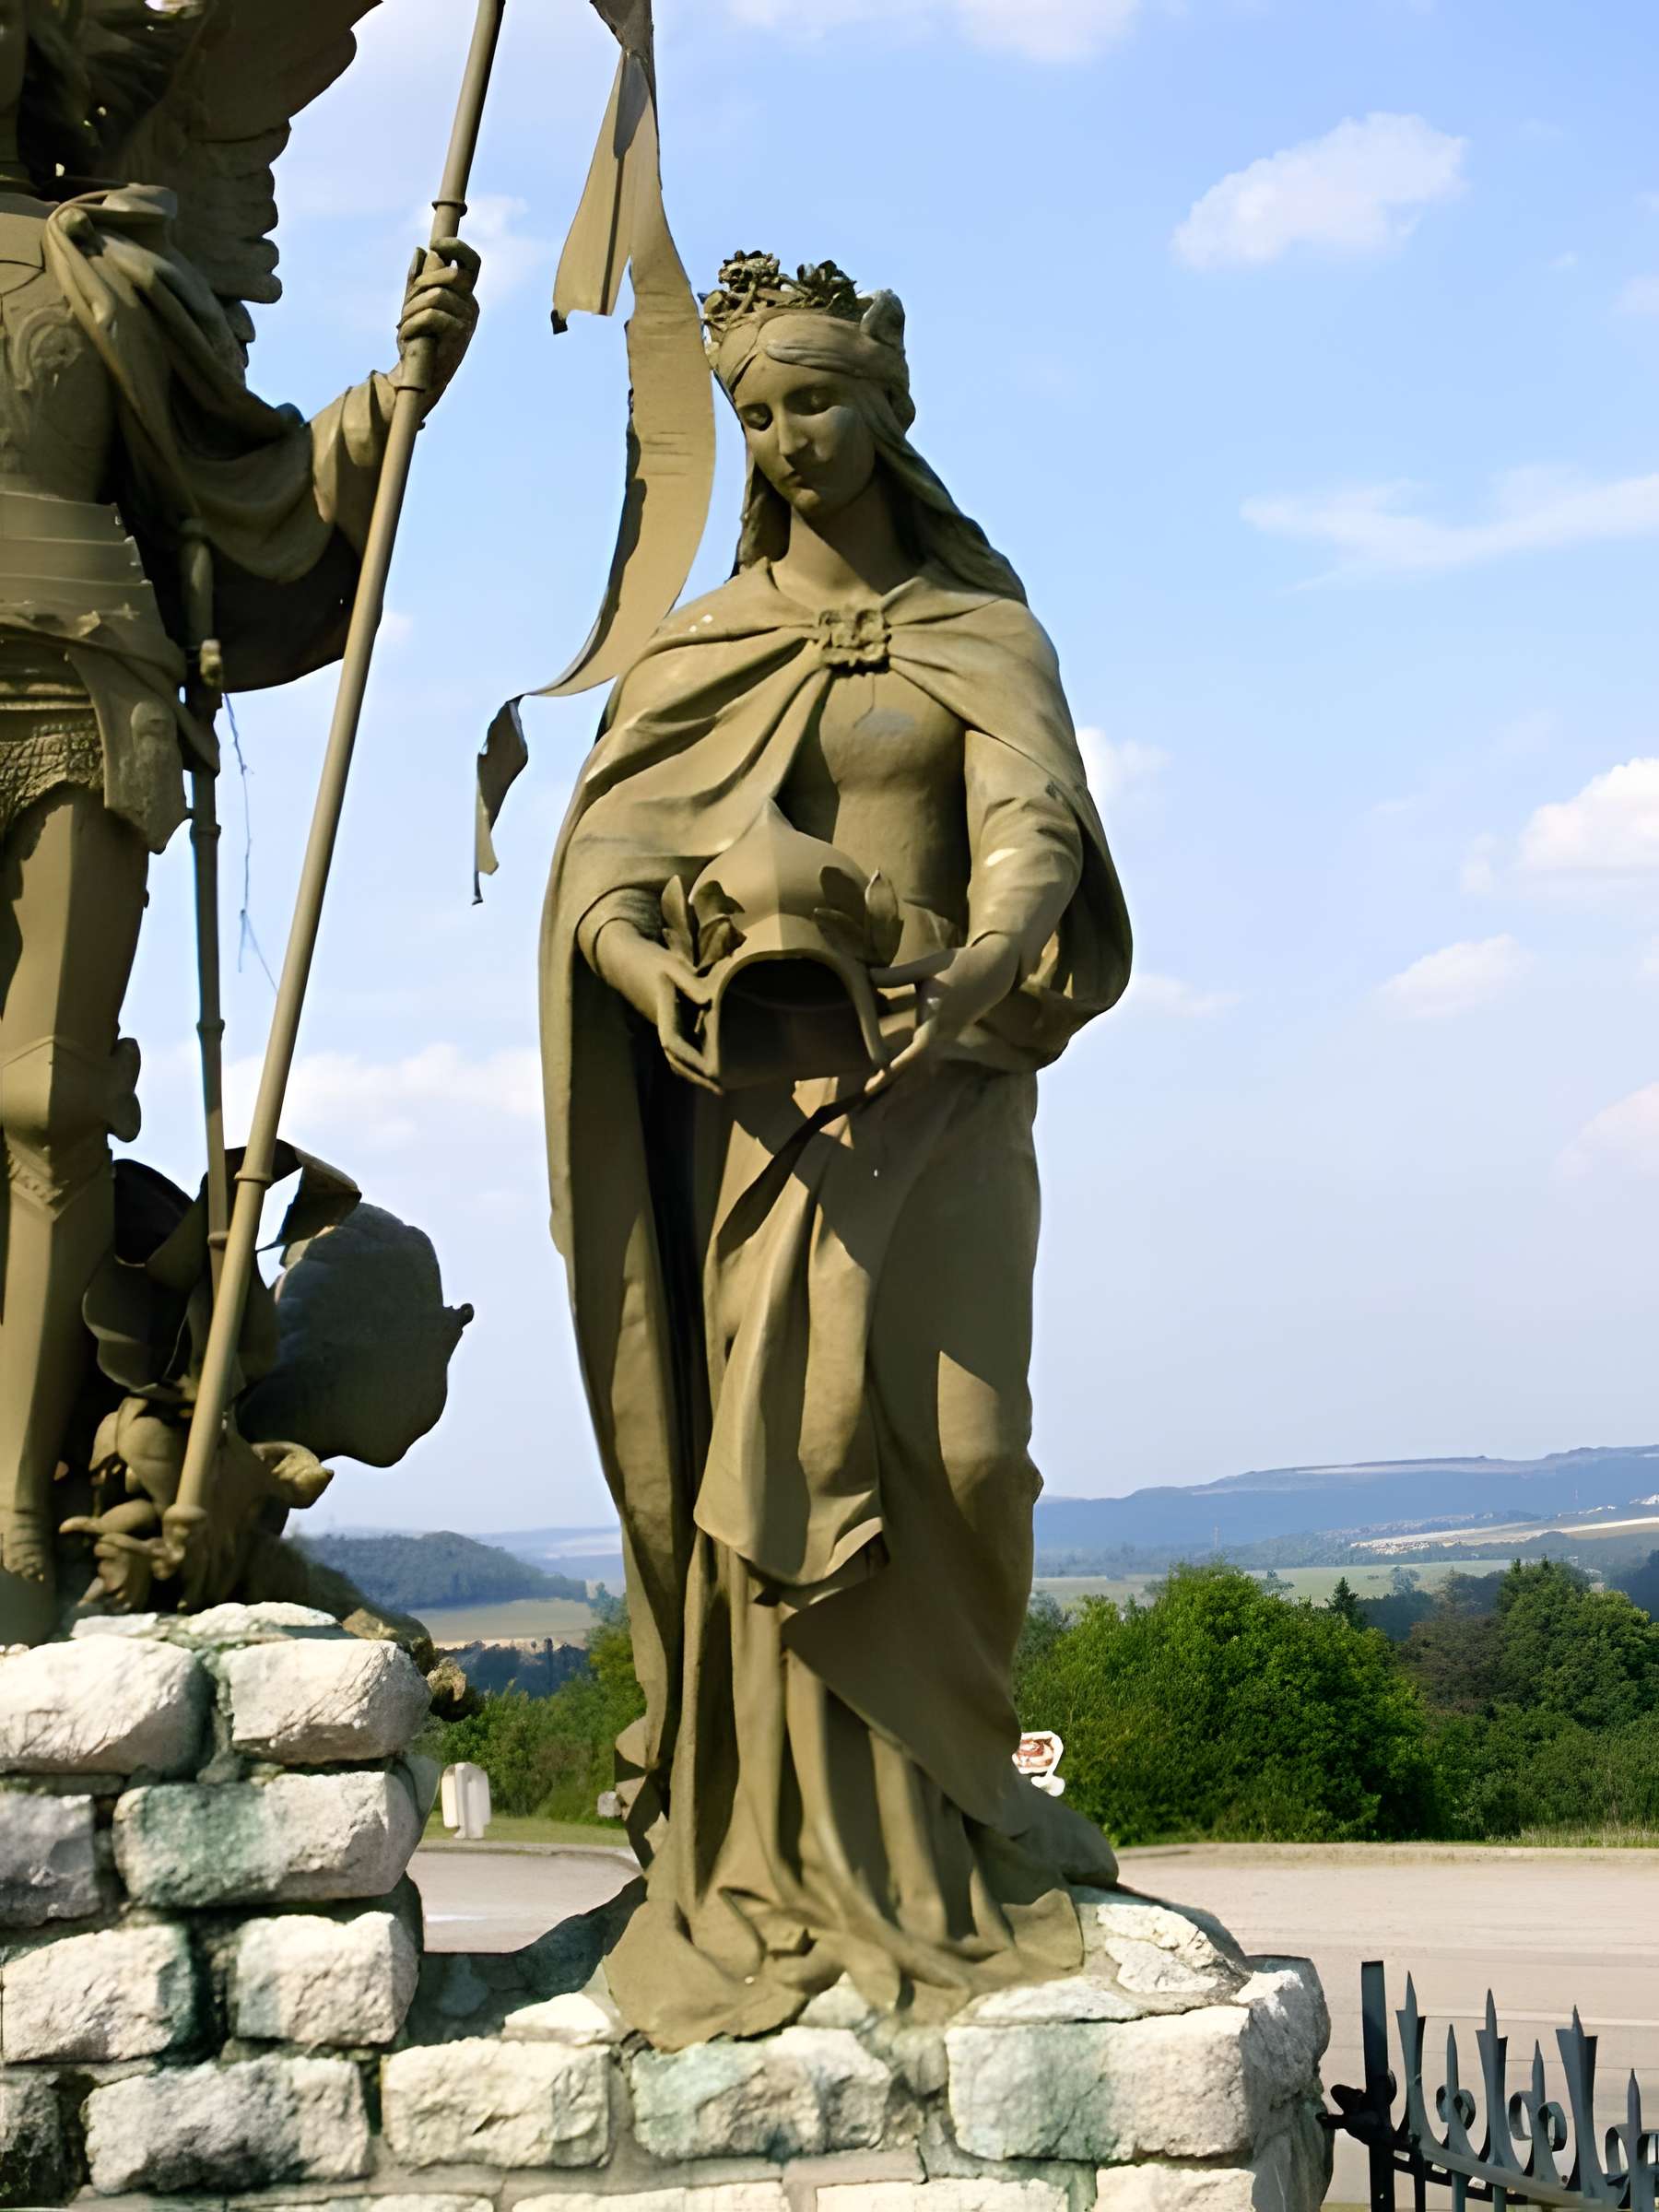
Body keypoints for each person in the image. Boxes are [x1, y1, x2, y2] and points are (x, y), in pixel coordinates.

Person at [540, 253, 1133, 2047]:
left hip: (946, 1094)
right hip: (770, 1118)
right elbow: (603, 880)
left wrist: (961, 985)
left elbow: (1035, 839)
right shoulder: (706, 653)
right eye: (763, 414)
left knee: (966, 1456)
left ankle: (960, 1798)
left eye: (819, 401)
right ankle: (781, 1844)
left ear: (887, 406)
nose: (793, 439)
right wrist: (663, 990)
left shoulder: (983, 635)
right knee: (782, 1459)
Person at [0, 0, 479, 1641]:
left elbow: (244, 491)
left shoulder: (95, 264)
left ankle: (11, 1529)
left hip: (82, 687)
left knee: (48, 1102)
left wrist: (393, 397)